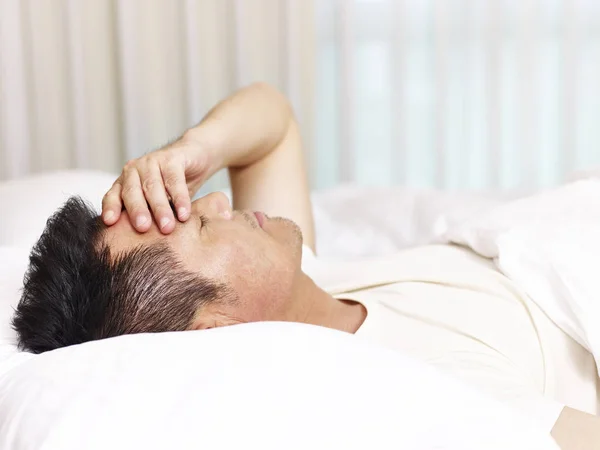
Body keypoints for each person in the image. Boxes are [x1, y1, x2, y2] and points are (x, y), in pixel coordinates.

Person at [11, 83, 599, 449]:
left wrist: (197, 147)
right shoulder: (425, 388)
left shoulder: (305, 284)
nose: (217, 200)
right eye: (201, 225)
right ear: (211, 331)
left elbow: (271, 125)